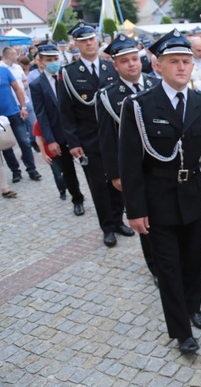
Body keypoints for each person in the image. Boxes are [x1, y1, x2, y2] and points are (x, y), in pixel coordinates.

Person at [119, 29, 201, 355]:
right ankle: (181, 331)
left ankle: (194, 307)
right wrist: (134, 209)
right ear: (158, 66)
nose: (181, 68)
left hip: (192, 196)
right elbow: (130, 162)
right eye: (174, 61)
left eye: (186, 62)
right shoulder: (139, 106)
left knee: (193, 260)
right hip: (157, 198)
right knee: (169, 268)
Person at [58, 22, 132, 247]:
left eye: (91, 39)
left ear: (97, 40)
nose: (89, 43)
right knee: (98, 185)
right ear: (76, 44)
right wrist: (73, 142)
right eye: (83, 40)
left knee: (118, 181)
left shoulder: (111, 68)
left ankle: (119, 220)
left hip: (115, 137)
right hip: (90, 138)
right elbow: (66, 110)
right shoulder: (69, 74)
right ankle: (107, 227)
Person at [96, 35, 160, 285]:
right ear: (116, 66)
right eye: (125, 61)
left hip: (161, 165)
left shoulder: (157, 84)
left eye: (135, 58)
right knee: (143, 218)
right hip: (133, 169)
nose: (132, 64)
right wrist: (115, 173)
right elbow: (107, 139)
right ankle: (155, 267)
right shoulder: (107, 96)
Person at [30, 43, 85, 215]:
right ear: (40, 61)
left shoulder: (69, 76)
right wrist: (50, 140)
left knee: (92, 167)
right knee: (68, 171)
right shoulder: (36, 85)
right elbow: (42, 115)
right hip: (59, 135)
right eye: (49, 60)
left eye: (55, 59)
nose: (53, 62)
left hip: (79, 131)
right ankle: (77, 198)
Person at [0, 54, 41, 184]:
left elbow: (17, 89)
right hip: (0, 119)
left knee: (24, 141)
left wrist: (23, 107)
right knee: (6, 146)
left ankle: (32, 169)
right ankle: (15, 171)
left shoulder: (4, 71)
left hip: (14, 112)